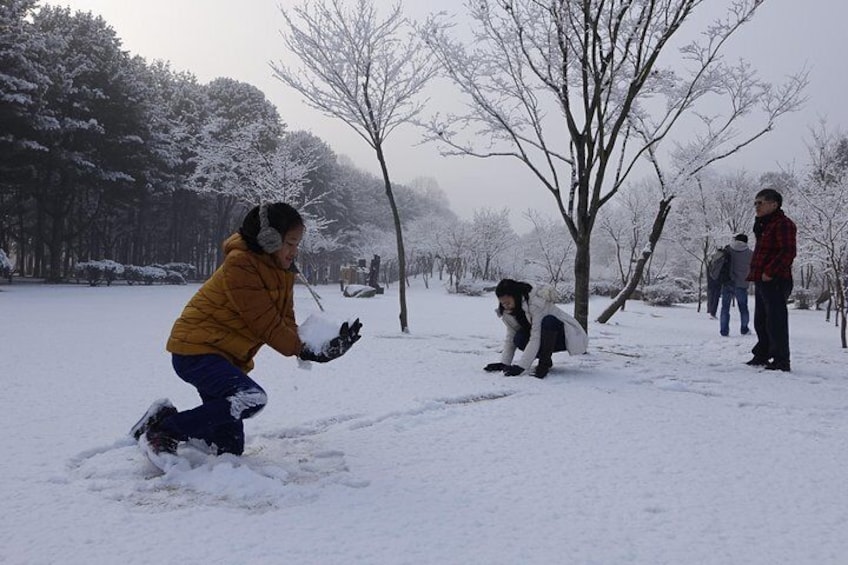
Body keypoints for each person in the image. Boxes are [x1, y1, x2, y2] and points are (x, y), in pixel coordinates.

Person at [130, 202, 362, 456]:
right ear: (270, 239)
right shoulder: (241, 265)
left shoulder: (281, 273)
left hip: (223, 357)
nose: (294, 251)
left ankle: (162, 416)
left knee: (229, 448)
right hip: (196, 351)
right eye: (290, 243)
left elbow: (284, 321)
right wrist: (305, 351)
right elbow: (266, 323)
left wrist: (317, 345)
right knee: (251, 397)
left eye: (297, 245)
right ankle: (164, 430)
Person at [483, 279, 588, 378]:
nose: (505, 306)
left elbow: (535, 337)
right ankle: (545, 357)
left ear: (516, 296)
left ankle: (544, 362)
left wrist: (521, 367)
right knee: (518, 337)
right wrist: (504, 363)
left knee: (549, 321)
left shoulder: (536, 303)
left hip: (564, 336)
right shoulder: (508, 312)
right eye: (502, 303)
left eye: (508, 302)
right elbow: (511, 336)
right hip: (543, 337)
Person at [746, 189, 796, 372]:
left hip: (776, 279)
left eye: (761, 202)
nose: (756, 206)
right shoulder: (764, 225)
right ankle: (762, 354)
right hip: (761, 279)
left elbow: (788, 252)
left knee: (776, 321)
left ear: (774, 204)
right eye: (755, 203)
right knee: (761, 320)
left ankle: (782, 360)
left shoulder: (783, 224)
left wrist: (770, 271)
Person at [719, 233, 753, 336]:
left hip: (728, 282)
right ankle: (744, 329)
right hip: (742, 284)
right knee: (743, 308)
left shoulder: (728, 250)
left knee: (725, 308)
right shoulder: (750, 253)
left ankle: (724, 331)